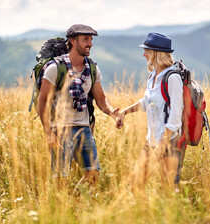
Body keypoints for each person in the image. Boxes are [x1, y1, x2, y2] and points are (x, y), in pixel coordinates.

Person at [38, 24, 119, 186]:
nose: (90, 44)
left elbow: (101, 99)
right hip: (60, 129)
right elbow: (43, 101)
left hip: (83, 128)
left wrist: (113, 112)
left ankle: (76, 203)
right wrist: (48, 132)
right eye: (85, 40)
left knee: (93, 173)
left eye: (91, 40)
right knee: (61, 178)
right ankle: (62, 209)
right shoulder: (55, 68)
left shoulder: (92, 68)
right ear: (73, 41)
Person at [117, 32, 186, 194]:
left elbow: (175, 118)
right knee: (136, 185)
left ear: (155, 53)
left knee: (169, 190)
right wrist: (124, 112)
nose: (143, 54)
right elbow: (146, 102)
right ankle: (145, 218)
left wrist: (162, 145)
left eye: (146, 50)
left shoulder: (172, 78)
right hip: (152, 141)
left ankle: (174, 219)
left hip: (169, 143)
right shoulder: (153, 76)